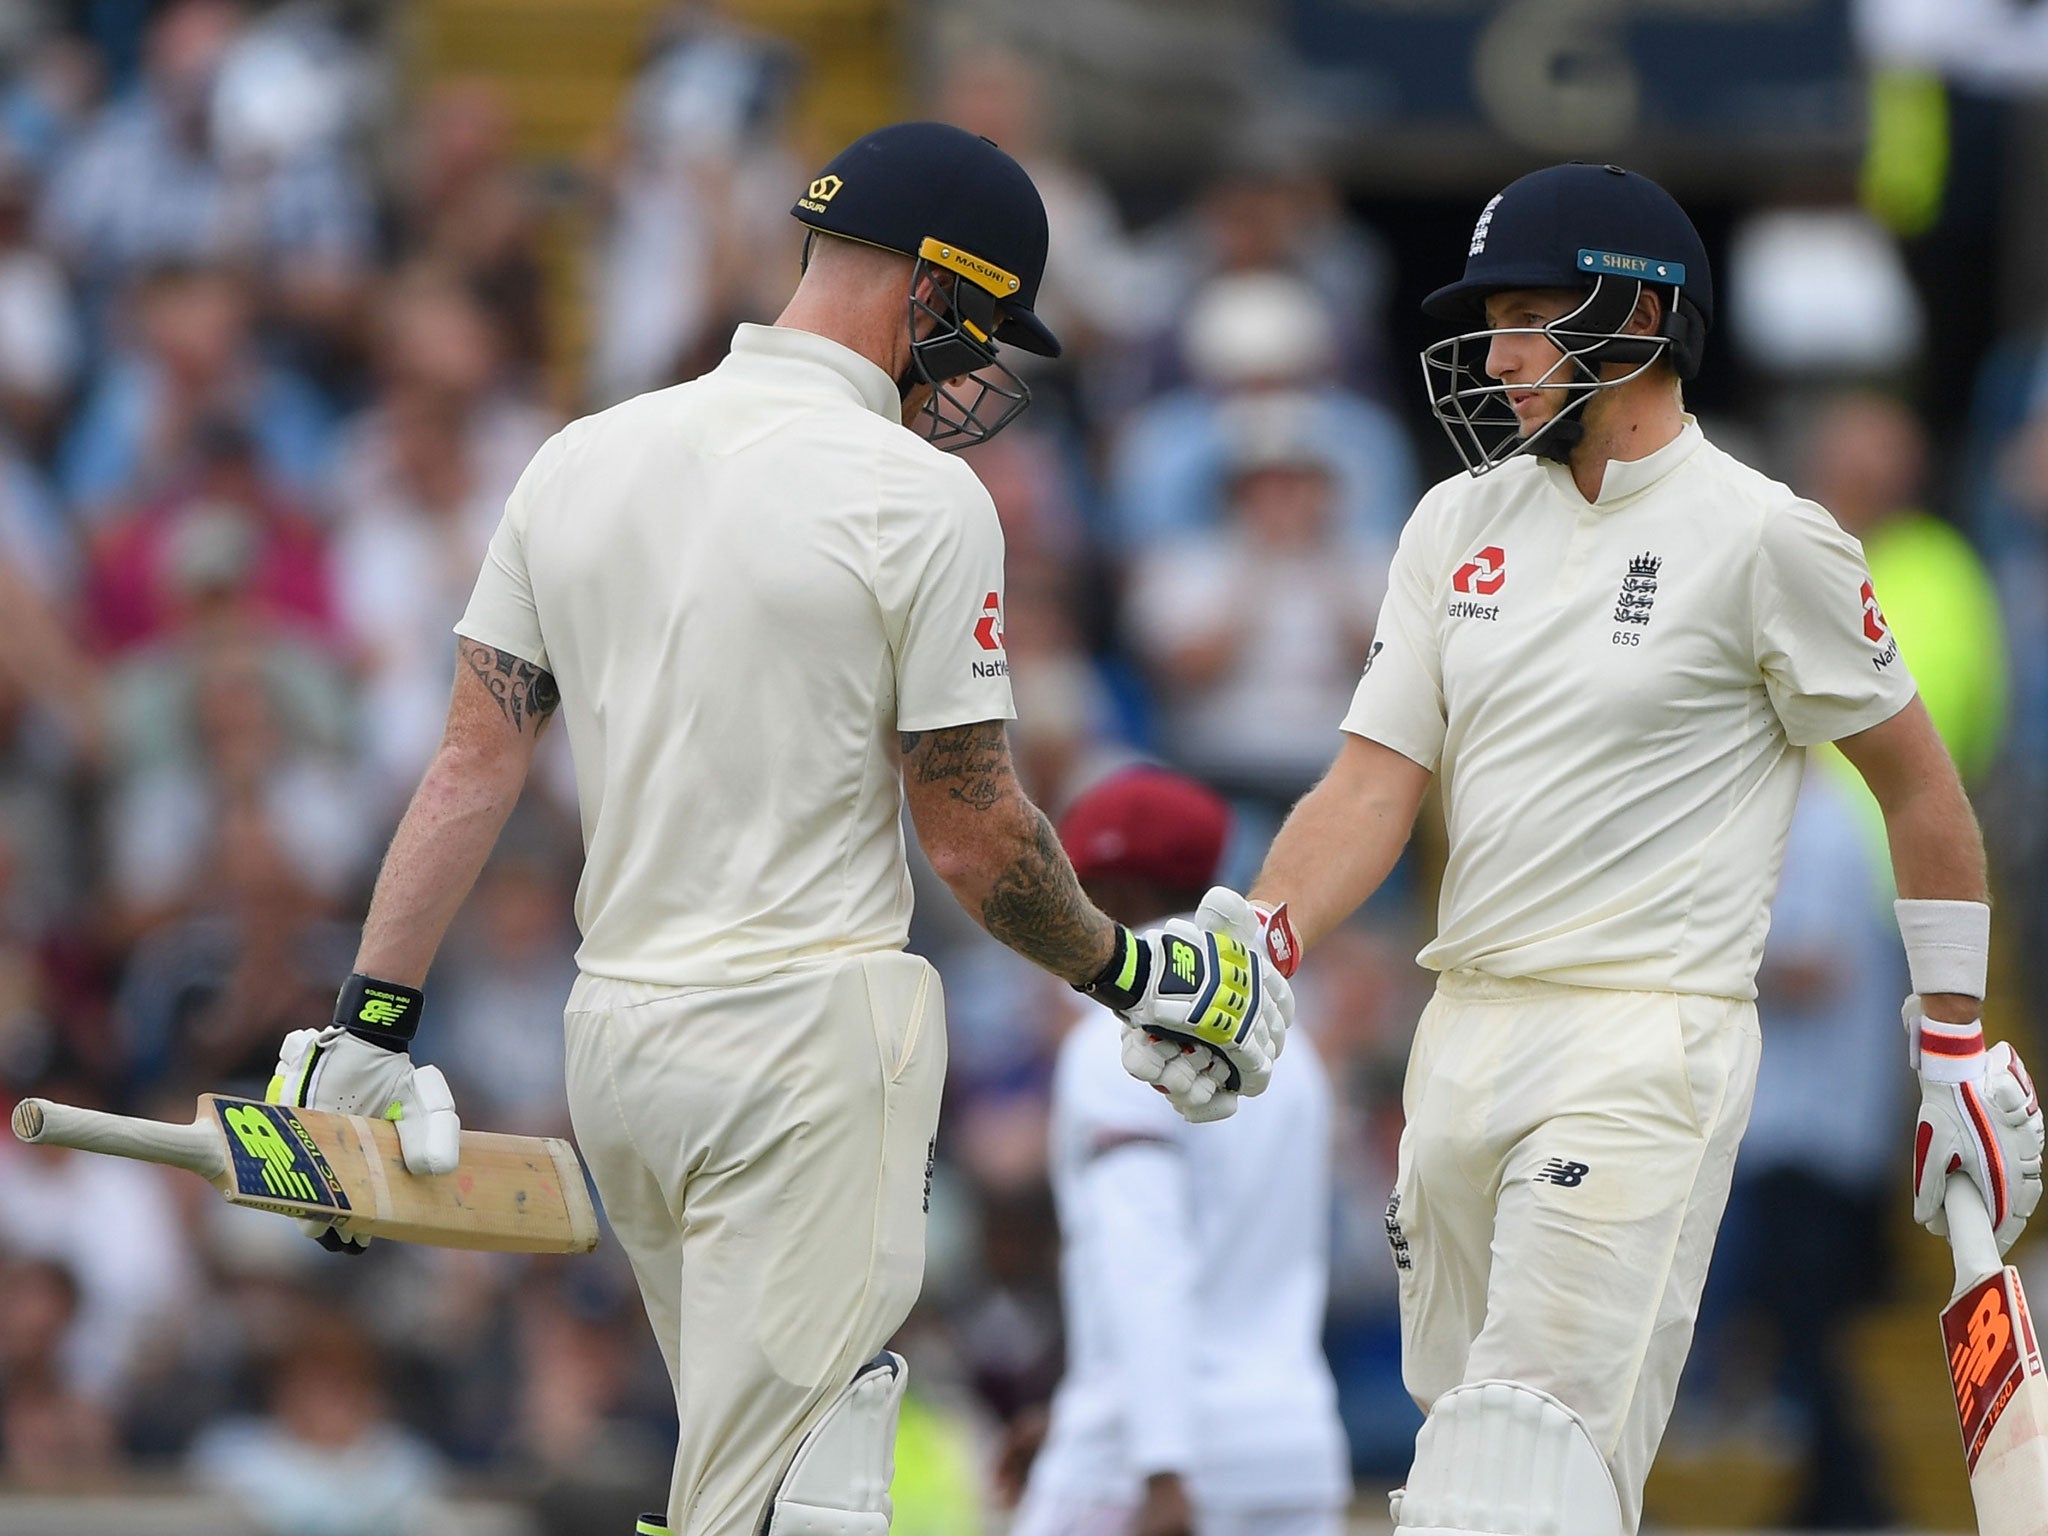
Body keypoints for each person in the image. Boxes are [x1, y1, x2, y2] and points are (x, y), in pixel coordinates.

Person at [257, 121, 1288, 1536]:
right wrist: (1136, 973)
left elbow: (466, 772)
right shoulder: (924, 500)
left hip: (618, 1048)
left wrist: (367, 1024)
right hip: (806, 1042)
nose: (975, 368)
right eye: (978, 324)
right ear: (930, 287)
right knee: (803, 1494)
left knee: (758, 1475)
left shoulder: (580, 456)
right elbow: (977, 835)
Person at [1186, 162, 2045, 1535]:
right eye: (1492, 317)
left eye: (1530, 312)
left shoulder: (1770, 537)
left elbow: (1923, 794)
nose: (1500, 352)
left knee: (1522, 1471)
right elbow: (1368, 785)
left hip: (1643, 1047)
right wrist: (1256, 933)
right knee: (1466, 1469)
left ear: (1640, 319)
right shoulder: (1450, 523)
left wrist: (1950, 1037)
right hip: (1460, 1038)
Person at [1012, 765, 1349, 1536]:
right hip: (1290, 1451)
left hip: (1158, 1465)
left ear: (1111, 894)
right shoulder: (1287, 1041)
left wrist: (1159, 1466)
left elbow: (1143, 1253)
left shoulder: (1116, 1041)